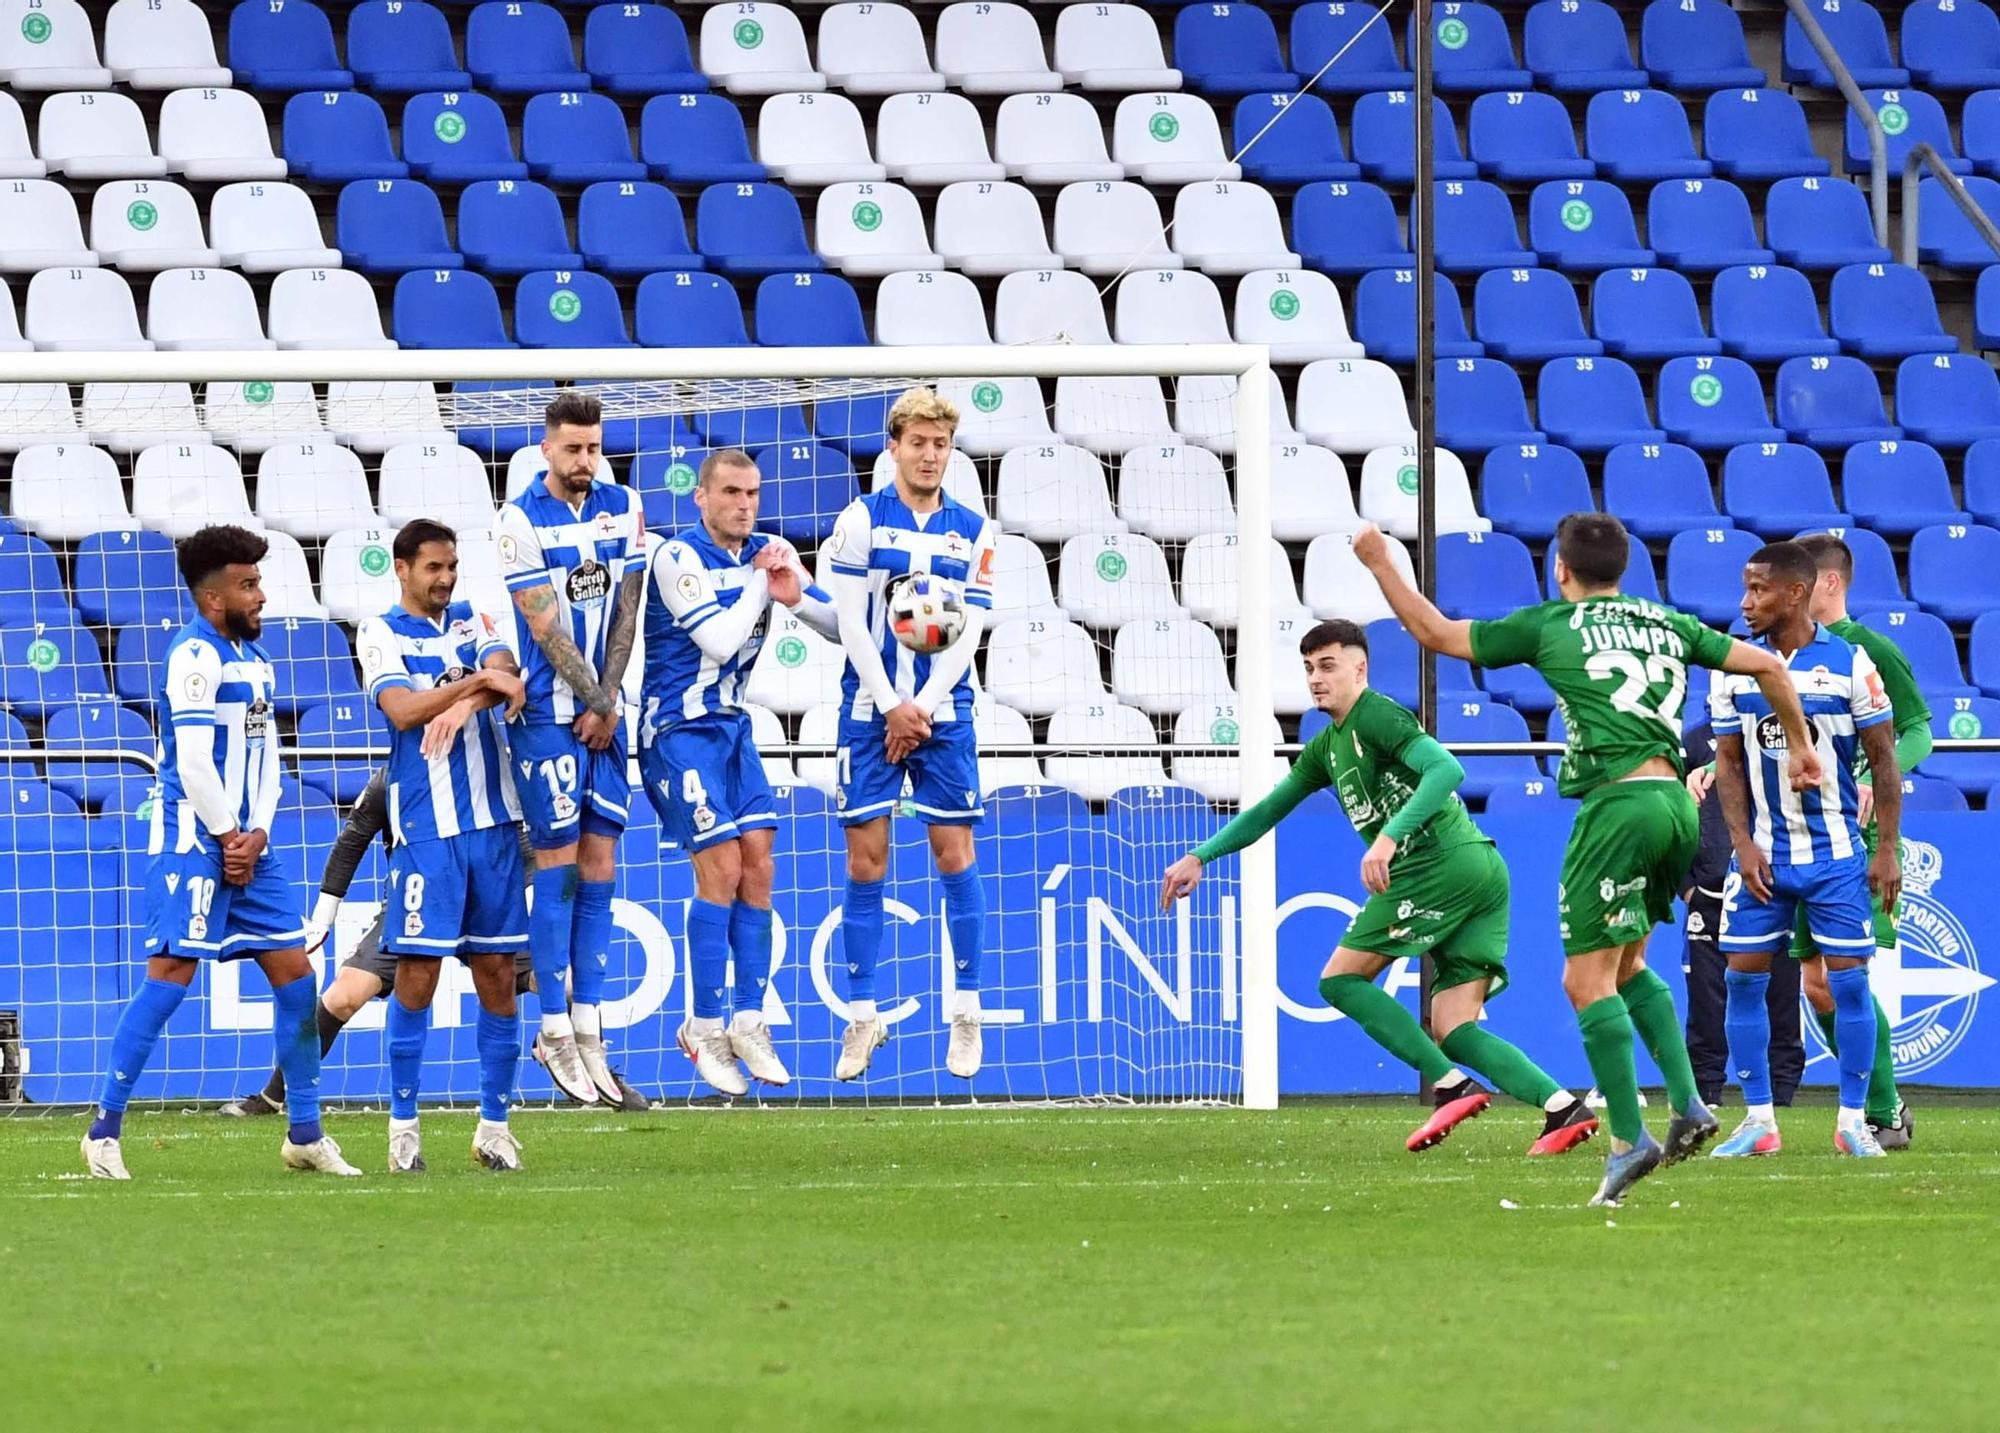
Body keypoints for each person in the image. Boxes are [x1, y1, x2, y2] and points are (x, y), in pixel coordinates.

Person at [1351, 512, 1821, 1207]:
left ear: (1560, 569)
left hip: (1617, 807)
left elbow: (1434, 633)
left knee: (1584, 982)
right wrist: (1802, 743)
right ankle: (1690, 1103)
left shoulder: (1550, 623)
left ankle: (1630, 1138)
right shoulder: (1663, 620)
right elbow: (1766, 663)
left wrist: (1380, 562)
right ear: (1623, 570)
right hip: (1675, 807)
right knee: (1629, 964)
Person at [1161, 620, 1599, 1156]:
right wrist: (1201, 855)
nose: (1316, 680)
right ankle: (1563, 1109)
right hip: (1479, 867)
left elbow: (1445, 769)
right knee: (1454, 1028)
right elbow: (1270, 810)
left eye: (1327, 666)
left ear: (1359, 668)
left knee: (1340, 981)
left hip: (1439, 865)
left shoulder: (1378, 715)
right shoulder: (1327, 746)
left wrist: (1389, 837)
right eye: (1308, 669)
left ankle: (1449, 1086)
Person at [82, 525, 359, 1179]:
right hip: (191, 842)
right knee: (170, 979)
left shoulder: (255, 661)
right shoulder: (193, 657)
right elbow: (196, 761)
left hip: (247, 842)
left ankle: (305, 1134)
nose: (262, 595)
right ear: (214, 598)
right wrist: (229, 833)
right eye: (249, 583)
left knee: (296, 976)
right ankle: (103, 1130)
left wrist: (257, 830)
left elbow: (268, 757)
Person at [216, 770, 644, 1118]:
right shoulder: (393, 780)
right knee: (343, 998)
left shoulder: (495, 774)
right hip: (415, 905)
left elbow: (526, 842)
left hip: (490, 906)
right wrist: (324, 917)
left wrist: (532, 899)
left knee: (567, 984)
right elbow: (352, 842)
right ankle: (275, 1094)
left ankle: (597, 1073)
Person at [640, 449, 839, 1094]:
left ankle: (749, 1021)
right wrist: (762, 581)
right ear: (701, 498)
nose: (745, 504)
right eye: (730, 492)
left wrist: (794, 594)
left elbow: (832, 622)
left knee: (760, 862)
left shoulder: (769, 552)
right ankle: (701, 1026)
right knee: (722, 865)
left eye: (752, 492)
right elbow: (721, 641)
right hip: (675, 730)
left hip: (733, 729)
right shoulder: (676, 558)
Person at [1708, 541, 1902, 1160]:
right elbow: (1729, 761)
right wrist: (1740, 843)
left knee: (1848, 987)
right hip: (1762, 855)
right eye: (1744, 589)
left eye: (1758, 590)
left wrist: (1888, 850)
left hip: (1837, 854)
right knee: (1741, 981)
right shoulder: (1730, 665)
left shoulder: (1851, 662)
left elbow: (1884, 761)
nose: (1746, 602)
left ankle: (1852, 1122)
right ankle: (1759, 1121)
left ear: (1796, 592)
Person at [824, 388, 996, 1081]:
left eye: (941, 444)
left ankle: (966, 1010)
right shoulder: (861, 519)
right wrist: (891, 702)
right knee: (866, 859)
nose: (930, 454)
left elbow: (971, 630)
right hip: (869, 709)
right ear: (893, 445)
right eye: (918, 442)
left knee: (954, 852)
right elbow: (851, 621)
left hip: (942, 712)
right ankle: (863, 1014)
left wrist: (919, 705)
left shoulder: (976, 529)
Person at [355, 519, 535, 1171]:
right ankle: (404, 1128)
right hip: (427, 830)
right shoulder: (378, 631)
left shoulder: (474, 617)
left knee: (497, 976)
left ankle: (494, 1125)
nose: (446, 576)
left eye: (452, 564)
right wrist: (469, 690)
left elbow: (507, 672)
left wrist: (466, 696)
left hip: (494, 826)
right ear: (401, 568)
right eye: (433, 566)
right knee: (417, 976)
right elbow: (402, 710)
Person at [498, 391, 646, 1106]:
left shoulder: (626, 503)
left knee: (601, 865)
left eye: (594, 447)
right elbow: (547, 625)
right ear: (546, 447)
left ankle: (590, 1028)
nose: (585, 460)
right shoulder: (519, 518)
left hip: (607, 712)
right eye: (573, 449)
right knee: (555, 867)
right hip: (549, 715)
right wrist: (593, 699)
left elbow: (628, 606)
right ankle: (551, 1023)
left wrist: (610, 699)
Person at [1793, 532, 1925, 1148]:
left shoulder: (1871, 649)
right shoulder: (1782, 652)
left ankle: (1882, 1108)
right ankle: (1876, 1106)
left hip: (1854, 836)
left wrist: (1877, 771)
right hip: (1794, 835)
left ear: (1829, 582)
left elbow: (1919, 730)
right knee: (1815, 983)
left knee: (1841, 976)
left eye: (1799, 579)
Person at [1681, 724, 1804, 1108]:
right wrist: (1687, 887)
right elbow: (1674, 813)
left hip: (1770, 887)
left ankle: (1781, 1094)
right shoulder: (1693, 741)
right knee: (1706, 1001)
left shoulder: (1777, 733)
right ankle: (1706, 1091)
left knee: (1781, 996)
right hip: (1711, 893)